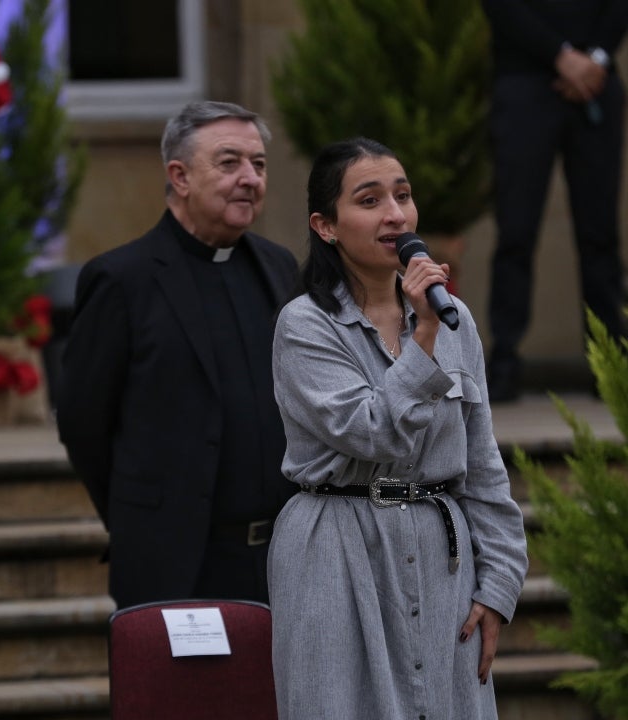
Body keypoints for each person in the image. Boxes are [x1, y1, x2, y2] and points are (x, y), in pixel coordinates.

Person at [267, 137, 529, 719]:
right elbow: (373, 433)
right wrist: (425, 338)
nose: (395, 214)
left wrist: (498, 586)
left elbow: (484, 466)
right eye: (369, 199)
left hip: (443, 564)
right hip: (335, 554)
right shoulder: (306, 326)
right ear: (326, 225)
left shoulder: (454, 322)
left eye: (403, 196)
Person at [56, 100, 299, 609]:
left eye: (258, 164)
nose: (250, 178)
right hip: (175, 562)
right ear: (180, 176)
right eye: (229, 163)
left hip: (283, 557)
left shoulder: (279, 267)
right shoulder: (123, 279)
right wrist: (144, 514)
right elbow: (83, 422)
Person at [483, 0, 628, 402]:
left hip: (596, 86)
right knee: (515, 230)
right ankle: (505, 360)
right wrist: (560, 55)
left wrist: (594, 58)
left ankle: (610, 363)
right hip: (523, 83)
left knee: (600, 235)